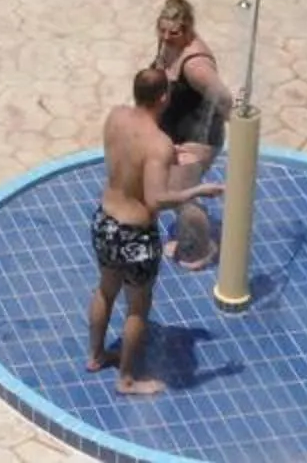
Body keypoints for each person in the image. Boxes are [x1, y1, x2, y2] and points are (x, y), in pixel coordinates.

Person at [90, 64, 223, 394]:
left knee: (106, 290)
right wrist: (196, 191)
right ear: (163, 98)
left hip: (104, 220)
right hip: (135, 233)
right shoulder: (159, 143)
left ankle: (95, 355)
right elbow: (157, 199)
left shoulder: (116, 116)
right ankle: (126, 379)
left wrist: (164, 160)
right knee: (138, 306)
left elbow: (130, 158)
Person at [150, 0, 236, 271]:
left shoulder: (195, 66)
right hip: (177, 134)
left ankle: (203, 248)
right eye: (162, 31)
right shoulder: (169, 47)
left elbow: (224, 101)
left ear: (188, 30)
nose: (166, 37)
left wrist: (198, 142)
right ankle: (195, 236)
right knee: (173, 190)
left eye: (173, 33)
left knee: (181, 195)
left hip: (197, 139)